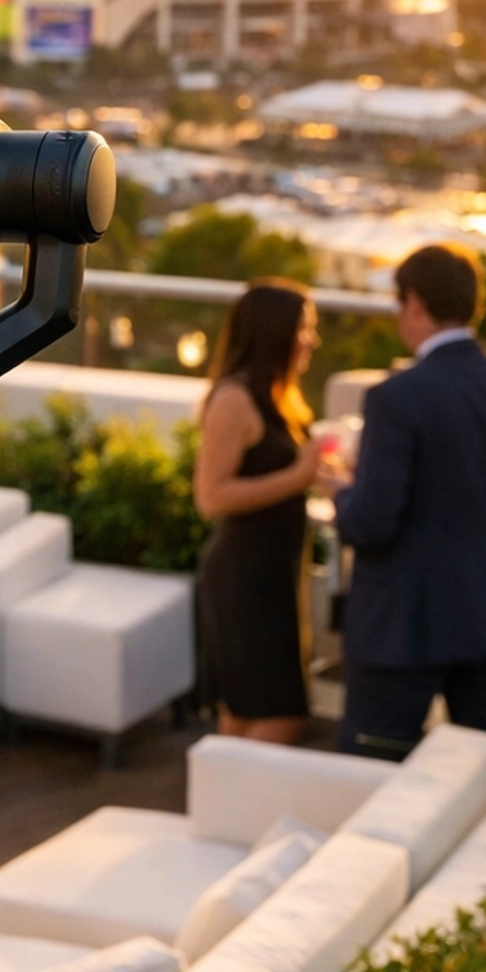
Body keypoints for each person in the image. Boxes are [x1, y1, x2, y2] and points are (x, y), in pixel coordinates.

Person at [334, 243, 486, 754]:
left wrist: (340, 491)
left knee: (372, 779)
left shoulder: (396, 397)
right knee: (485, 781)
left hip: (403, 628)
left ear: (413, 303)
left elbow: (370, 523)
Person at [193, 280, 331, 743]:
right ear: (274, 333)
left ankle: (224, 809)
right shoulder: (234, 399)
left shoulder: (278, 395)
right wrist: (299, 476)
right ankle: (239, 808)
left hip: (273, 575)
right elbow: (210, 496)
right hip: (243, 579)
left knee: (243, 713)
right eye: (303, 329)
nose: (311, 340)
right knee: (279, 714)